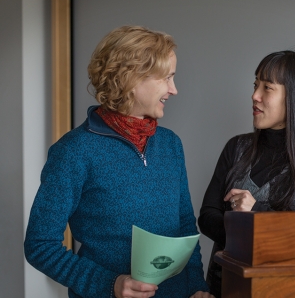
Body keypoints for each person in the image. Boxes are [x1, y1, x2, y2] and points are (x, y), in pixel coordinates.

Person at [24, 26, 213, 298]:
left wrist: (196, 287)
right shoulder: (74, 150)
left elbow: (184, 227)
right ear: (131, 79)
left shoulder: (171, 144)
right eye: (167, 78)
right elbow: (40, 245)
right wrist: (109, 284)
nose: (174, 89)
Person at [198, 50, 295, 297]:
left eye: (267, 87)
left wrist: (256, 216)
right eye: (255, 85)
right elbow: (206, 217)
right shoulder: (235, 148)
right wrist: (248, 227)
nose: (254, 95)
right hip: (225, 288)